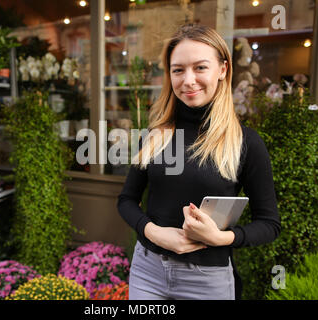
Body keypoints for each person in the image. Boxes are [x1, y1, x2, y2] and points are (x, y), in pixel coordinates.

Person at [117, 24, 281, 300]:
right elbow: (126, 201)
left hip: (207, 282)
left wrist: (222, 238)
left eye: (200, 67)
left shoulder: (246, 143)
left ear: (223, 70)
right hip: (148, 271)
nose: (188, 80)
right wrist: (155, 233)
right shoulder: (156, 136)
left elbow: (269, 224)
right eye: (178, 69)